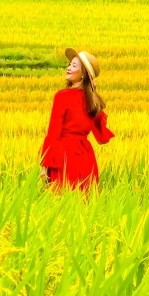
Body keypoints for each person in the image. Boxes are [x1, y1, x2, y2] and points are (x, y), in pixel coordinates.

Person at [39, 48, 114, 190]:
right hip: (86, 157)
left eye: (74, 66)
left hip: (64, 157)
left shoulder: (62, 96)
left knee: (61, 203)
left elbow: (53, 133)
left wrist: (45, 165)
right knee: (86, 204)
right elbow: (103, 137)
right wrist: (93, 92)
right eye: (69, 65)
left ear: (83, 75)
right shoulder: (93, 100)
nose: (69, 68)